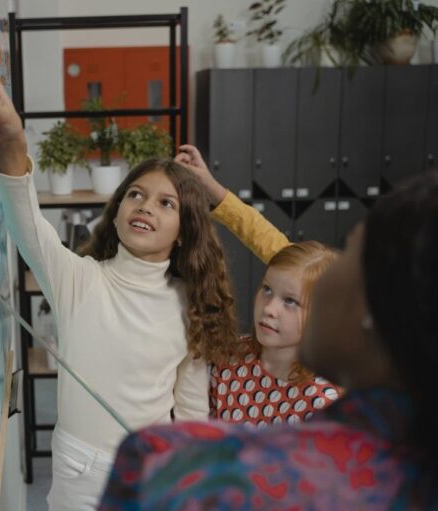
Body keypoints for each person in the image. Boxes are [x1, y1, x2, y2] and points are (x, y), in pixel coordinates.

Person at [0, 42, 239, 510]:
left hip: (152, 469)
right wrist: (12, 142)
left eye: (165, 203)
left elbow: (192, 410)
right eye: (135, 195)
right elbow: (29, 227)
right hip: (82, 470)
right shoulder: (82, 280)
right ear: (115, 214)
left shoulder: (191, 302)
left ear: (183, 232)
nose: (145, 207)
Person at [98, 170, 438, 509]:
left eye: (349, 253)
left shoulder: (159, 465)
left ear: (372, 310)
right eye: (267, 290)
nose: (273, 308)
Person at [175, 145, 341, 427]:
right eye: (266, 290)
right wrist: (211, 188)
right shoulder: (229, 361)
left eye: (290, 301)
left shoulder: (323, 403)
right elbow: (263, 237)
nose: (270, 309)